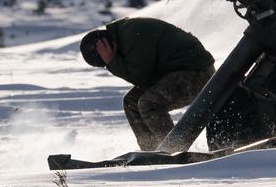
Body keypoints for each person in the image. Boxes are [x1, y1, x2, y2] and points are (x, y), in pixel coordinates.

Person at [80, 17, 215, 151]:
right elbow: (146, 79)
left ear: (105, 45)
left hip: (198, 73)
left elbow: (141, 78)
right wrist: (112, 61)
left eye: (104, 62)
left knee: (149, 103)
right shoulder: (123, 35)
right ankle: (151, 150)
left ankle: (173, 150)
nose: (107, 64)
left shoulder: (130, 35)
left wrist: (112, 61)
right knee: (131, 102)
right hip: (181, 71)